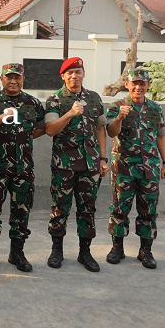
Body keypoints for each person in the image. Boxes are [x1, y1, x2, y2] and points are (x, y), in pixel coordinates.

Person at [0, 63, 45, 273]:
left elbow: (41, 128)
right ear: (1, 79)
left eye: (17, 77)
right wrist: (0, 118)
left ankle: (17, 253)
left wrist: (22, 138)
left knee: (21, 212)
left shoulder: (32, 103)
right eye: (9, 77)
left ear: (23, 79)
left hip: (23, 168)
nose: (13, 81)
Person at [44, 57, 109, 272]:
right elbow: (51, 129)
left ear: (83, 74)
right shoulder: (55, 99)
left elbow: (101, 129)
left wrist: (103, 158)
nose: (74, 76)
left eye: (78, 71)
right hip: (64, 164)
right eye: (70, 73)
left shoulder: (94, 98)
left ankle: (85, 252)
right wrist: (70, 113)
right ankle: (57, 250)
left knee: (87, 210)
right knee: (60, 209)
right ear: (63, 76)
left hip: (90, 165)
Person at [105, 67, 165, 269]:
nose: (138, 87)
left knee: (149, 211)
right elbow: (111, 132)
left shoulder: (154, 108)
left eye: (142, 83)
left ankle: (146, 250)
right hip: (124, 167)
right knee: (119, 208)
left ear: (148, 86)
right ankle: (117, 248)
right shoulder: (117, 106)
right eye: (134, 83)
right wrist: (119, 118)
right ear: (127, 85)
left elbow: (161, 136)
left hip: (149, 168)